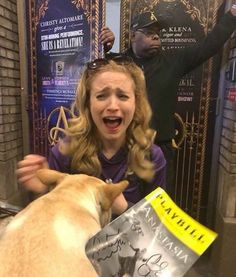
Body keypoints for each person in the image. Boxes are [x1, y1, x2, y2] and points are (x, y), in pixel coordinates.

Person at [107, 5, 236, 197]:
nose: (156, 36)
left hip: (161, 147)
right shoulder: (120, 63)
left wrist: (232, 16)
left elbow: (209, 45)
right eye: (149, 32)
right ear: (133, 36)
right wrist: (106, 50)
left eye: (158, 33)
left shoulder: (173, 61)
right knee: (126, 202)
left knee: (160, 202)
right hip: (125, 148)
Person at [17, 58, 166, 216]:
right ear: (88, 104)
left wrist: (125, 209)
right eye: (101, 96)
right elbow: (52, 218)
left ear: (136, 103)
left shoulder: (152, 157)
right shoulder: (64, 153)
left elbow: (159, 226)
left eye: (123, 96)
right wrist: (42, 192)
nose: (113, 106)